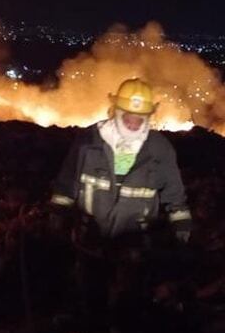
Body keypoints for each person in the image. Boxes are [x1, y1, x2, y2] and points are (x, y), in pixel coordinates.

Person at [50, 78, 192, 243]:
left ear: (148, 116)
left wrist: (181, 230)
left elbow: (174, 195)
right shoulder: (88, 141)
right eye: (128, 118)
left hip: (134, 246)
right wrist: (57, 217)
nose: (133, 124)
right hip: (88, 242)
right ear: (116, 111)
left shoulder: (160, 149)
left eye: (139, 119)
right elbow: (66, 183)